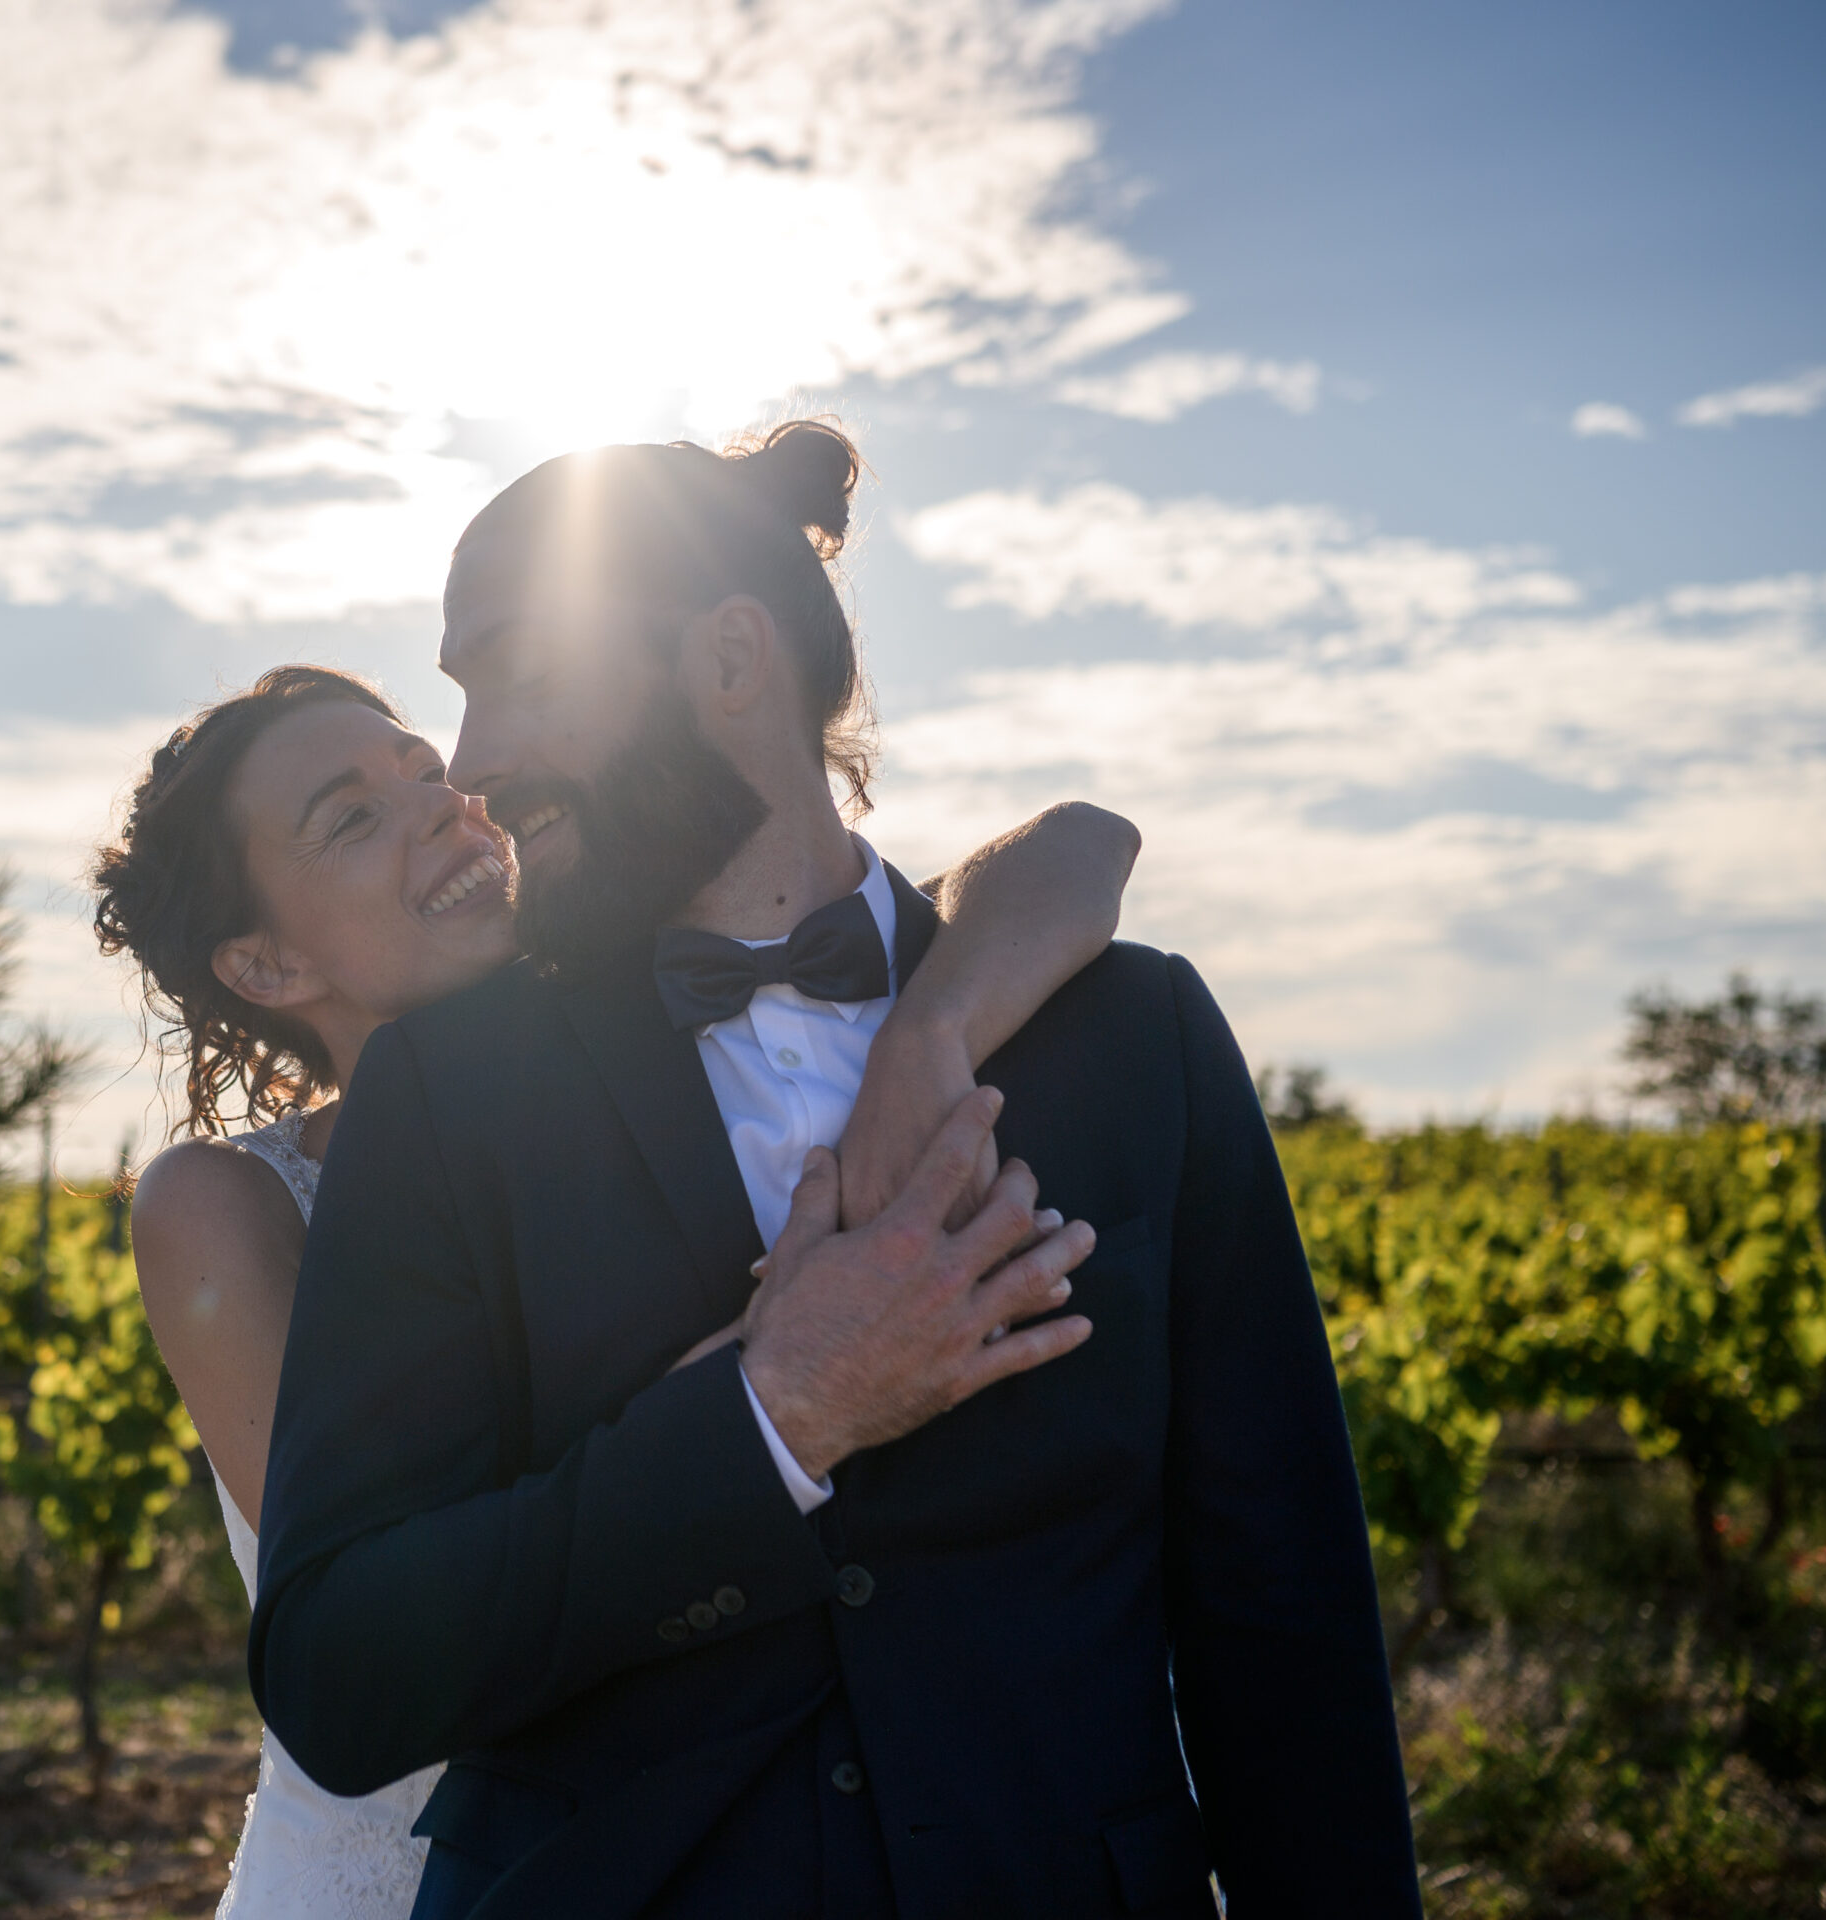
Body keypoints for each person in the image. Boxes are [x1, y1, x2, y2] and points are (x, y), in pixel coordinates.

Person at [250, 422, 1423, 1918]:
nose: (473, 765)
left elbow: (1285, 1628)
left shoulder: (1138, 1039)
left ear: (729, 662)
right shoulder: (445, 1095)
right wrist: (769, 1417)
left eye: (520, 679)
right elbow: (339, 1668)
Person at [95, 662, 1141, 1918]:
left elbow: (1075, 849)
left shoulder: (679, 1058)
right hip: (395, 1865)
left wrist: (930, 1030)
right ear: (263, 966)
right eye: (353, 816)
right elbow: (404, 1600)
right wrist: (781, 1384)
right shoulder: (225, 1203)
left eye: (425, 770)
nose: (442, 803)